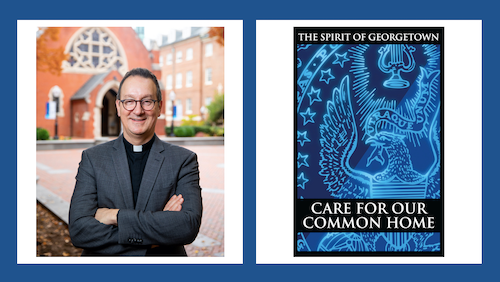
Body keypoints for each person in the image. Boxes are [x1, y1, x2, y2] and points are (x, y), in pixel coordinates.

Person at [69, 68, 202, 256]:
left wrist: (114, 216)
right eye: (129, 101)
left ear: (159, 107)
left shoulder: (183, 160)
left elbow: (187, 227)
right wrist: (158, 231)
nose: (138, 110)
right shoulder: (93, 159)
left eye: (147, 101)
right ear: (118, 106)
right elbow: (79, 231)